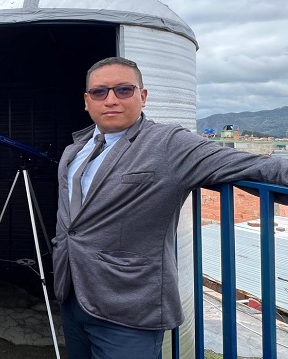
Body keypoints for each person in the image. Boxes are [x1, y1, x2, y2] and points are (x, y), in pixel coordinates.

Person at [53, 56, 288, 359]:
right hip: (72, 293)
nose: (110, 100)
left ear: (143, 96)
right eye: (99, 92)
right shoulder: (75, 149)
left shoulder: (168, 143)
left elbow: (255, 167)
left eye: (123, 90)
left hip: (127, 305)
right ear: (87, 101)